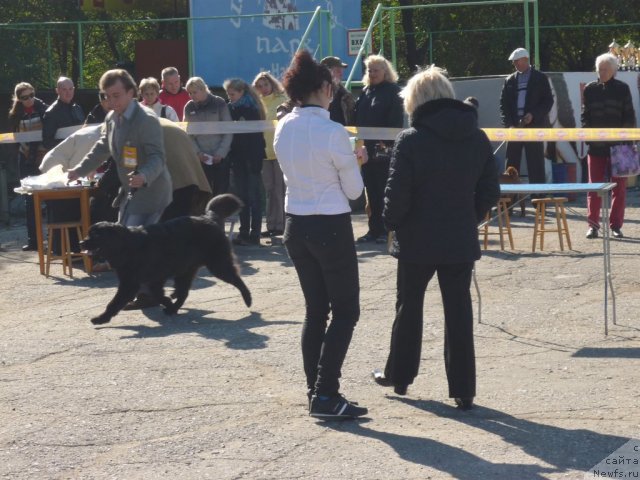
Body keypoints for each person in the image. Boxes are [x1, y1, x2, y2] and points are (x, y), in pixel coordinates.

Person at [373, 66, 500, 410]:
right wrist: (470, 217)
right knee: (458, 311)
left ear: (415, 100)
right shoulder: (477, 136)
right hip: (459, 236)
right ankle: (464, 389)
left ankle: (399, 375)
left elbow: (396, 193)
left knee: (408, 307)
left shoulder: (410, 139)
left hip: (416, 238)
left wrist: (391, 222)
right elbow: (490, 188)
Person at [274, 50, 368, 419]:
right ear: (324, 88)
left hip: (295, 224)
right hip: (329, 224)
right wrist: (355, 161)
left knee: (316, 312)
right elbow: (355, 192)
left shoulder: (283, 126)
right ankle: (326, 393)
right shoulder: (333, 132)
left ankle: (316, 391)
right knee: (346, 310)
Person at [68, 69, 172, 228]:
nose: (111, 102)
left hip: (152, 194)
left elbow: (157, 157)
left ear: (131, 93)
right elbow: (103, 147)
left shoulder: (147, 119)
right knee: (125, 241)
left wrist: (144, 175)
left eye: (116, 96)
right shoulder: (111, 117)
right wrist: (79, 170)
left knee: (133, 245)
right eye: (107, 96)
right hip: (130, 193)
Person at [582, 53, 636, 239]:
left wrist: (628, 144)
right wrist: (588, 136)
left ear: (613, 70)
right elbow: (585, 116)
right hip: (595, 148)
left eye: (605, 69)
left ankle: (616, 226)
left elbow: (629, 116)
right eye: (599, 69)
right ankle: (593, 226)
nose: (601, 72)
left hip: (618, 148)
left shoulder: (623, 89)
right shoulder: (589, 89)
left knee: (619, 189)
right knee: (594, 188)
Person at [354, 54, 404, 244]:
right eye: (369, 70)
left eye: (376, 70)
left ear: (385, 71)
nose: (372, 73)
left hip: (384, 149)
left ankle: (386, 230)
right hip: (365, 150)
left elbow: (395, 121)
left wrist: (387, 144)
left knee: (385, 190)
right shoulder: (366, 91)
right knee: (371, 192)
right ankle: (373, 230)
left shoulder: (393, 91)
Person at [41, 76, 86, 253]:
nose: (68, 92)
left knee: (77, 205)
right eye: (64, 89)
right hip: (61, 166)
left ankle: (76, 245)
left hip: (78, 163)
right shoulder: (52, 113)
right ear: (57, 91)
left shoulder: (78, 108)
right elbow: (47, 141)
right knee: (61, 206)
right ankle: (60, 247)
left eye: (70, 89)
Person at [499, 48, 553, 184]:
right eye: (514, 62)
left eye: (516, 61)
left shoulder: (540, 78)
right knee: (511, 165)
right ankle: (509, 201)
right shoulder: (509, 80)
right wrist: (509, 125)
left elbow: (548, 101)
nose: (514, 64)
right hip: (514, 128)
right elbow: (503, 105)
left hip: (534, 127)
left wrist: (533, 115)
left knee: (536, 164)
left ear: (525, 60)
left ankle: (538, 199)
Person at [224, 78, 266, 246]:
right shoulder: (230, 109)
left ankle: (254, 233)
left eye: (232, 94)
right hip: (238, 158)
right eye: (228, 94)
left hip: (252, 158)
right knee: (241, 197)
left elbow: (253, 138)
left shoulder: (252, 109)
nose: (230, 97)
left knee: (253, 196)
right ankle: (243, 232)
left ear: (241, 93)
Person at [8, 82, 49, 251]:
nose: (30, 99)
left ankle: (51, 240)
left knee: (49, 199)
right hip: (25, 159)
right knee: (29, 201)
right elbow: (15, 137)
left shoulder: (44, 109)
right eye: (25, 97)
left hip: (42, 158)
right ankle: (34, 240)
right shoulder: (16, 114)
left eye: (32, 95)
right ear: (19, 99)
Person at [184, 77, 233, 197]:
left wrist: (221, 153)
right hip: (201, 158)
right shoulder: (188, 107)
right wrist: (198, 153)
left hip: (221, 156)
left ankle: (221, 216)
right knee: (203, 193)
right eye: (189, 93)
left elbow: (229, 130)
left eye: (194, 92)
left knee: (221, 193)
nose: (191, 96)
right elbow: (187, 133)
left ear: (203, 89)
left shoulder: (219, 103)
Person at [252, 71, 288, 238]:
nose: (263, 89)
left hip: (279, 151)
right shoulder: (256, 103)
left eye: (265, 85)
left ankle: (281, 224)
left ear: (271, 84)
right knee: (269, 190)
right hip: (263, 152)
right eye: (259, 86)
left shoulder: (282, 100)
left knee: (280, 190)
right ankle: (271, 224)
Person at [320, 56, 356, 126]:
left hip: (341, 133)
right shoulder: (314, 93)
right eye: (338, 71)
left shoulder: (345, 95)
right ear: (327, 71)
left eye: (341, 71)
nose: (341, 74)